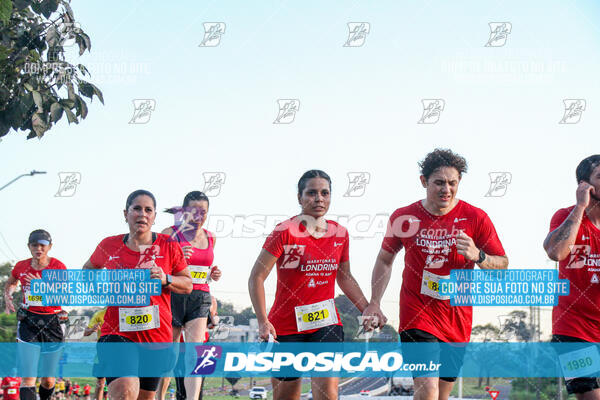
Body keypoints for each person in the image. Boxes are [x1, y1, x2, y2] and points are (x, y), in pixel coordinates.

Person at [362, 149, 508, 400]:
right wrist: (374, 302)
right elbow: (385, 260)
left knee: (440, 394)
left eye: (452, 183)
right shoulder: (404, 217)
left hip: (456, 319)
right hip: (417, 315)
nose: (446, 189)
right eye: (439, 182)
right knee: (427, 388)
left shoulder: (476, 218)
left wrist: (478, 256)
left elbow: (502, 266)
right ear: (423, 181)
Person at [249, 170, 370, 400]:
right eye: (312, 193)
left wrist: (367, 308)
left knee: (328, 393)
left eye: (325, 193)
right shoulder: (284, 232)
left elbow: (344, 277)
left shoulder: (340, 233)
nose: (319, 199)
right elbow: (256, 277)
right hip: (286, 327)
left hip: (326, 324)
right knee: (287, 396)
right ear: (299, 197)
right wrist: (263, 321)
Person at [83, 189, 192, 400]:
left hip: (155, 336)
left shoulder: (168, 246)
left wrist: (166, 279)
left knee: (145, 397)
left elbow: (187, 284)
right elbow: (88, 271)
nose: (142, 214)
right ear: (126, 214)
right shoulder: (109, 245)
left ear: (154, 216)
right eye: (136, 209)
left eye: (148, 210)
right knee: (125, 389)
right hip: (116, 332)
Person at [544, 155, 600, 399]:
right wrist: (580, 207)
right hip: (574, 329)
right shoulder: (566, 216)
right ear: (584, 185)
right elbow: (556, 252)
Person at [157, 191, 222, 400]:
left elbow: (203, 269)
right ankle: (158, 397)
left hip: (200, 296)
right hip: (174, 295)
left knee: (196, 352)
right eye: (193, 211)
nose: (198, 216)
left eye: (203, 212)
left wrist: (213, 274)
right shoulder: (170, 233)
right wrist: (175, 258)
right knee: (170, 354)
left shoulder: (211, 236)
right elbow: (156, 267)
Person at [3, 230, 68, 400]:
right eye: (34, 245)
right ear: (29, 247)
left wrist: (41, 286)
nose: (38, 248)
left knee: (47, 380)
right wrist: (8, 294)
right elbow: (11, 282)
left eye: (42, 245)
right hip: (28, 321)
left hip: (52, 321)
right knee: (28, 376)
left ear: (50, 246)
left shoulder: (58, 267)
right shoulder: (21, 266)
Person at [83, 308, 106, 400]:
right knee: (101, 382)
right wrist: (92, 329)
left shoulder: (124, 311)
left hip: (122, 349)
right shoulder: (99, 314)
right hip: (103, 350)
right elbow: (85, 332)